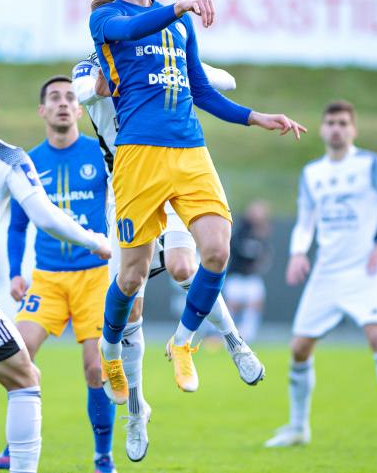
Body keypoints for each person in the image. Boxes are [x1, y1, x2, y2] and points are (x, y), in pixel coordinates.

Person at [89, 0, 306, 406]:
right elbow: (129, 29)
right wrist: (178, 6)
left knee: (217, 251)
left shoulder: (180, 25)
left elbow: (202, 91)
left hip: (190, 150)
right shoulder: (106, 18)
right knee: (131, 277)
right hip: (139, 156)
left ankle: (184, 341)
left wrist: (256, 117)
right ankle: (110, 349)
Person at [72, 29, 266, 462]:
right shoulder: (90, 65)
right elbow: (83, 89)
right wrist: (109, 81)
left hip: (171, 173)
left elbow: (224, 80)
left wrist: (188, 72)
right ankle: (136, 412)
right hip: (126, 185)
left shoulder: (157, 57)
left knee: (184, 265)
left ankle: (234, 342)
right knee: (131, 299)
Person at [265, 100, 377, 453]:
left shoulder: (371, 165)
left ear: (353, 129)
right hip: (326, 272)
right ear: (323, 129)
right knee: (299, 348)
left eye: (343, 123)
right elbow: (305, 220)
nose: (337, 129)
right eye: (331, 123)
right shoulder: (312, 173)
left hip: (365, 270)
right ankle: (298, 428)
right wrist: (298, 252)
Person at [0, 77, 117, 473]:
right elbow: (18, 226)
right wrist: (17, 272)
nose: (63, 103)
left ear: (80, 110)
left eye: (69, 98)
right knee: (18, 352)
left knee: (95, 367)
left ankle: (103, 456)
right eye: (54, 98)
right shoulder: (26, 160)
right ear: (42, 111)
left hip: (94, 277)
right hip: (47, 278)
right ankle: (16, 445)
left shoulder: (100, 153)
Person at [224, 200, 271, 343]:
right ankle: (228, 335)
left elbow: (264, 255)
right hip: (236, 276)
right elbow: (236, 249)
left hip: (252, 277)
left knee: (255, 303)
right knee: (232, 305)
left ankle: (247, 335)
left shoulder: (263, 232)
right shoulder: (240, 230)